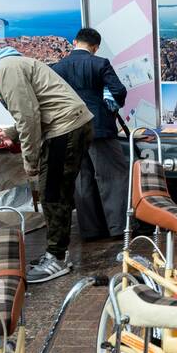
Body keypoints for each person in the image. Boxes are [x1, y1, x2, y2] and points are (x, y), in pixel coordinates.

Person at [0, 45, 93, 283]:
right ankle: (57, 253)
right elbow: (28, 113)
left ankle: (56, 258)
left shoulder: (4, 69)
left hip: (64, 128)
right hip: (69, 125)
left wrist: (30, 160)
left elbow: (28, 116)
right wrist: (10, 134)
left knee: (52, 194)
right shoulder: (5, 66)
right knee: (56, 193)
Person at [50, 28, 128, 240]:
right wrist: (109, 104)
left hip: (70, 129)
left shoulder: (58, 67)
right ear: (95, 47)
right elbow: (119, 91)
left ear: (75, 42)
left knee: (82, 179)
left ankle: (91, 230)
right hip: (99, 126)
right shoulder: (100, 63)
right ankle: (119, 227)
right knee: (112, 177)